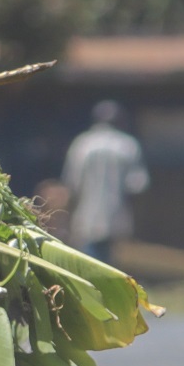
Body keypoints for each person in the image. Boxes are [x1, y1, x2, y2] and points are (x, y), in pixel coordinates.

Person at [60, 100, 149, 262]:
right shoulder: (127, 145)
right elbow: (137, 186)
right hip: (116, 213)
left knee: (88, 261)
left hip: (86, 215)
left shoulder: (82, 144)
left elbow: (71, 184)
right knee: (110, 261)